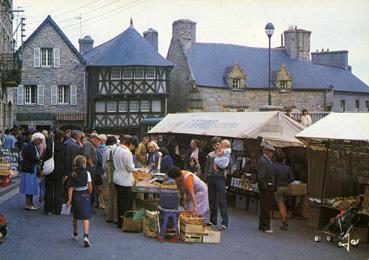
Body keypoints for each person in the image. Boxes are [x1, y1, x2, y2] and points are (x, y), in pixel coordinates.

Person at [66, 155, 92, 248]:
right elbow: (90, 187)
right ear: (84, 164)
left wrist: (69, 199)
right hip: (85, 194)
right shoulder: (87, 173)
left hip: (76, 195)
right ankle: (86, 236)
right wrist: (89, 193)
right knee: (86, 217)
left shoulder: (73, 174)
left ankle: (75, 234)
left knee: (76, 216)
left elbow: (70, 187)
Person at [204, 136, 229, 230]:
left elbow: (230, 165)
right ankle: (213, 221)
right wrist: (205, 180)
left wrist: (225, 170)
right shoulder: (210, 154)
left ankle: (224, 223)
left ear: (221, 144)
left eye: (218, 144)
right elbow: (206, 168)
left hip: (220, 178)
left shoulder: (225, 154)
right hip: (211, 178)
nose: (216, 146)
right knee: (212, 200)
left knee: (222, 200)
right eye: (214, 145)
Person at [112, 135, 137, 229]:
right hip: (125, 180)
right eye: (134, 146)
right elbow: (130, 168)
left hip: (117, 177)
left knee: (120, 201)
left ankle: (120, 222)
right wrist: (134, 168)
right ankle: (126, 223)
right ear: (130, 144)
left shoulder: (117, 149)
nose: (133, 149)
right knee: (127, 203)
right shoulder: (127, 152)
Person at [44, 130, 67, 215]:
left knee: (49, 190)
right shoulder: (64, 147)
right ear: (62, 138)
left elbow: (45, 158)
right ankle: (57, 210)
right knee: (59, 190)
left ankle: (48, 209)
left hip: (50, 170)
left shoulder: (50, 146)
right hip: (60, 171)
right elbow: (66, 161)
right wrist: (66, 173)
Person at [19, 133, 44, 210]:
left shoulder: (33, 145)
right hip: (29, 169)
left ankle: (31, 203)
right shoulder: (31, 146)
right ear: (36, 139)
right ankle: (28, 204)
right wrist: (39, 160)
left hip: (31, 168)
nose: (41, 142)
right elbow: (33, 157)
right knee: (29, 187)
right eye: (40, 140)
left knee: (31, 187)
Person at [257, 145, 276, 234]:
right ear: (268, 152)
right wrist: (265, 187)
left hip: (266, 187)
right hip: (266, 188)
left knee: (264, 207)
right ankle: (265, 226)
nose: (272, 154)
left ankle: (262, 225)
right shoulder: (264, 161)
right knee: (266, 208)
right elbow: (261, 176)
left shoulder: (265, 161)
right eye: (271, 152)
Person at [274, 153, 294, 231]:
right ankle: (285, 219)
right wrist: (286, 182)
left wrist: (274, 188)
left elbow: (273, 179)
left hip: (278, 187)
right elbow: (292, 178)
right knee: (283, 204)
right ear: (284, 160)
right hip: (286, 187)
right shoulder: (288, 168)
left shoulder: (275, 167)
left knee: (280, 205)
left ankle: (284, 222)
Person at [102, 136, 118, 224]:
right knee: (112, 195)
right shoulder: (111, 150)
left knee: (108, 195)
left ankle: (108, 214)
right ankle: (111, 215)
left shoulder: (105, 149)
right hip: (109, 174)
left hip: (105, 172)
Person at [82, 133, 101, 207]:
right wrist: (92, 165)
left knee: (90, 186)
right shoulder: (89, 144)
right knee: (89, 187)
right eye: (98, 140)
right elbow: (86, 155)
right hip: (89, 169)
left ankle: (89, 205)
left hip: (90, 169)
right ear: (95, 139)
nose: (99, 142)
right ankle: (88, 206)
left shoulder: (90, 144)